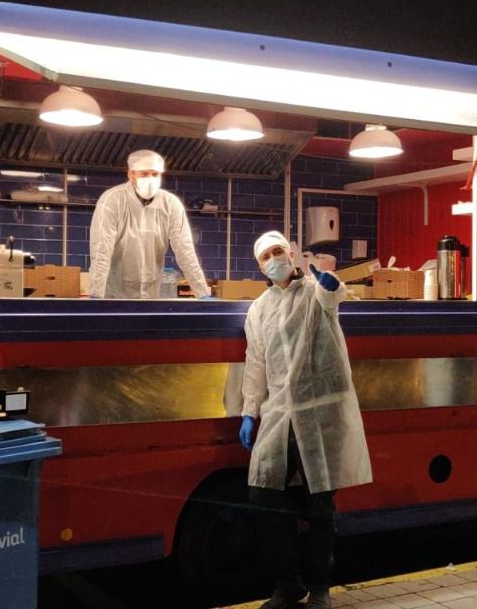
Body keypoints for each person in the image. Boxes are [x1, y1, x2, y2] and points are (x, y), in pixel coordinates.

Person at [238, 230, 372, 609]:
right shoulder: (259, 308)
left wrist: (332, 285)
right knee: (264, 495)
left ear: (293, 253)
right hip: (279, 413)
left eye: (279, 251)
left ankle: (319, 588)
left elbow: (334, 298)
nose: (275, 259)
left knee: (320, 507)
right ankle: (287, 585)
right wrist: (250, 411)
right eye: (266, 256)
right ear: (260, 266)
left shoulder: (315, 291)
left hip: (320, 412)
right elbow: (257, 363)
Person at [88, 149, 210, 299]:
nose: (150, 179)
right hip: (113, 295)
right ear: (131, 174)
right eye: (144, 174)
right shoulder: (112, 201)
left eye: (155, 174)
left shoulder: (170, 204)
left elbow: (185, 251)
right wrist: (96, 295)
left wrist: (203, 293)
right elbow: (101, 250)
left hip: (151, 294)